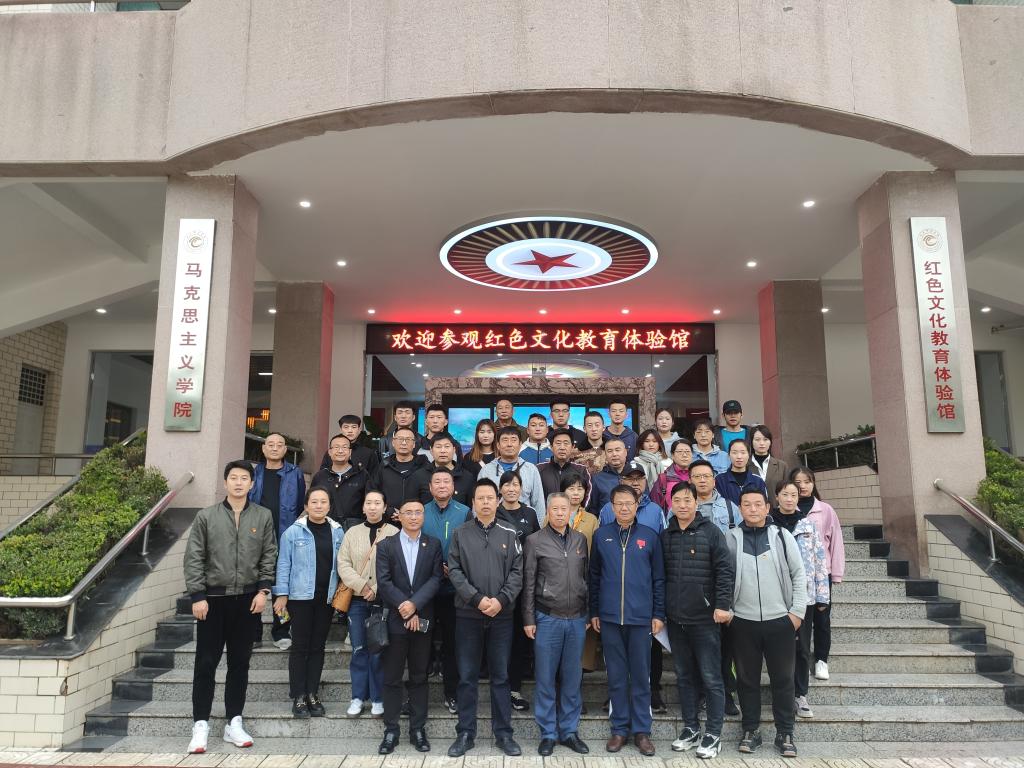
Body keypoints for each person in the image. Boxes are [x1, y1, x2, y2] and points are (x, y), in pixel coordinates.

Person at [185, 461, 277, 754]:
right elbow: (194, 556)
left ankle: (233, 721)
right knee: (206, 663)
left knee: (240, 663)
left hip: (248, 601)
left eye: (244, 478)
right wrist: (197, 595)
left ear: (252, 484)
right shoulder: (206, 516)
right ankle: (200, 724)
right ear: (225, 482)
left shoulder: (262, 516)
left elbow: (269, 553)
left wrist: (263, 590)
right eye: (233, 478)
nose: (239, 483)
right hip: (212, 601)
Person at [726, 487, 806, 758]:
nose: (752, 509)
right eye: (747, 504)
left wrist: (796, 613)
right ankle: (751, 729)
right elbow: (722, 577)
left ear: (767, 508)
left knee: (783, 679)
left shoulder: (782, 536)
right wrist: (730, 613)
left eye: (758, 504)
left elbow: (798, 574)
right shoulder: (731, 538)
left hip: (780, 620)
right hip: (743, 621)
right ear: (740, 508)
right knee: (746, 680)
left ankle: (785, 732)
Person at [446, 480, 524, 758]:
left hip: (502, 616)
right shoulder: (460, 533)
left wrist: (501, 600)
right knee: (467, 677)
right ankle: (465, 733)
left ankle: (503, 734)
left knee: (501, 677)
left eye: (491, 497)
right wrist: (477, 599)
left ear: (498, 500)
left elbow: (517, 572)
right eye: (481, 498)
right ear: (473, 503)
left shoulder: (510, 533)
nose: (486, 502)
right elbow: (454, 570)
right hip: (468, 614)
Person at [589, 484, 665, 756]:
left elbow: (658, 579)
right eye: (619, 503)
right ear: (611, 507)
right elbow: (594, 577)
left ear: (636, 506)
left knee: (641, 676)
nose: (624, 508)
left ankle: (642, 731)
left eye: (628, 503)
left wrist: (658, 613)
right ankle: (620, 729)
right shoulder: (601, 535)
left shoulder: (650, 536)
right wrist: (594, 611)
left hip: (640, 619)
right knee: (617, 676)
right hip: (610, 618)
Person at [662, 482, 734, 759]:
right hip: (676, 619)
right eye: (677, 500)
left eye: (687, 500)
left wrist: (722, 604)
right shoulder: (666, 535)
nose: (682, 505)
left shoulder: (711, 532)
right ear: (671, 504)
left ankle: (713, 733)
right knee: (684, 676)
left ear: (696, 502)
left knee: (711, 677)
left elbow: (724, 570)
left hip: (705, 619)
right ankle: (691, 728)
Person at [523, 492, 590, 756]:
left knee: (572, 678)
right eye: (555, 509)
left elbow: (586, 578)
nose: (560, 513)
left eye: (565, 509)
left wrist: (587, 612)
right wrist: (529, 618)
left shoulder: (580, 540)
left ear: (571, 511)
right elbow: (529, 583)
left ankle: (569, 731)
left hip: (576, 619)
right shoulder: (534, 541)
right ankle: (548, 733)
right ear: (548, 512)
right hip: (547, 617)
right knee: (546, 677)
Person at [375, 498, 444, 754]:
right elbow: (384, 582)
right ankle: (391, 730)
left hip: (422, 620)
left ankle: (418, 729)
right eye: (408, 512)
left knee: (418, 677)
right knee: (392, 677)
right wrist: (404, 607)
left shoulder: (433, 544)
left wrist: (414, 605)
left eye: (418, 512)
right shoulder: (386, 545)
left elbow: (435, 579)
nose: (414, 516)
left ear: (423, 516)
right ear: (399, 516)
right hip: (395, 620)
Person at [273, 487, 345, 718]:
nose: (319, 505)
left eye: (323, 502)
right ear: (306, 506)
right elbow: (283, 564)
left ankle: (312, 693)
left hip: (326, 599)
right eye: (314, 502)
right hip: (300, 598)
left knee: (318, 647)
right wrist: (281, 594)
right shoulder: (293, 532)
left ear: (329, 506)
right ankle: (299, 696)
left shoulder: (337, 531)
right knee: (300, 647)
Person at [771, 480, 830, 720]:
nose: (789, 499)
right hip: (773, 595)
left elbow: (819, 560)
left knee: (802, 648)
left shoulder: (808, 525)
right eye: (785, 494)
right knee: (776, 647)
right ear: (777, 496)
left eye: (794, 495)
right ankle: (780, 692)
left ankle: (800, 694)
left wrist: (822, 595)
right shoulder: (768, 523)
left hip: (804, 596)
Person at [337, 490, 398, 719]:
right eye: (368, 503)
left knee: (379, 651)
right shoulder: (352, 532)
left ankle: (378, 698)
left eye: (377, 503)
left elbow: (397, 567)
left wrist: (377, 588)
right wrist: (362, 586)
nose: (372, 507)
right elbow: (343, 564)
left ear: (385, 507)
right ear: (363, 507)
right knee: (359, 649)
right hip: (356, 601)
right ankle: (357, 697)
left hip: (383, 601)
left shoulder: (394, 532)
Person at [688, 459, 740, 716]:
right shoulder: (683, 505)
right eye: (697, 476)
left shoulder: (730, 508)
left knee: (726, 644)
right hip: (694, 583)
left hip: (724, 580)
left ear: (714, 478)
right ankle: (702, 693)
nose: (702, 480)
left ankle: (726, 692)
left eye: (706, 476)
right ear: (690, 480)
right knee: (698, 645)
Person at [421, 469, 472, 715]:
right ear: (430, 487)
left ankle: (452, 693)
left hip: (455, 589)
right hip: (425, 589)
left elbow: (470, 546)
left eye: (446, 481)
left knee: (453, 644)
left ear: (453, 487)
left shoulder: (465, 512)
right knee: (421, 642)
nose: (442, 485)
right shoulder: (420, 511)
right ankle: (417, 695)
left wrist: (454, 568)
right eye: (437, 482)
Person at [249, 432, 306, 650]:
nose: (274, 448)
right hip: (257, 538)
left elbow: (300, 504)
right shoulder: (254, 473)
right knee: (254, 585)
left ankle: (281, 630)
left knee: (282, 587)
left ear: (285, 450)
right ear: (263, 449)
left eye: (279, 445)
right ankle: (254, 633)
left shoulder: (294, 473)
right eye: (270, 444)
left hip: (285, 537)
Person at [791, 467, 845, 682]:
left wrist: (836, 574)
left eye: (807, 481)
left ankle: (821, 659)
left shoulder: (825, 510)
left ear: (813, 483)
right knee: (798, 618)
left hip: (821, 574)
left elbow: (836, 542)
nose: (803, 486)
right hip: (795, 575)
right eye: (798, 482)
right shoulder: (788, 507)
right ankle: (799, 659)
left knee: (822, 618)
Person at [496, 470, 540, 712]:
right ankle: (499, 687)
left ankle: (514, 689)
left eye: (516, 485)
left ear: (522, 489)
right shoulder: (494, 511)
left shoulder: (529, 513)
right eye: (507, 485)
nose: (511, 489)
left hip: (525, 585)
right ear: (500, 489)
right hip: (498, 585)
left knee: (519, 639)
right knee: (500, 639)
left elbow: (537, 546)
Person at [559, 473, 601, 674]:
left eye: (580, 489)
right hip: (558, 582)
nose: (575, 493)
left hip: (584, 579)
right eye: (571, 488)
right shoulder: (553, 515)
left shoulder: (591, 519)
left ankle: (582, 672)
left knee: (585, 628)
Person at [476, 426, 545, 523]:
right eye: (505, 440)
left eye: (513, 440)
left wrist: (539, 529)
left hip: (525, 526)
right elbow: (479, 502)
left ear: (520, 444)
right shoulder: (486, 471)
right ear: (498, 445)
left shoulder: (531, 470)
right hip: (494, 526)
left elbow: (539, 503)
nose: (509, 444)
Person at [311, 434, 369, 528]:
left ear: (350, 452)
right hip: (325, 528)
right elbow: (311, 503)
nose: (340, 451)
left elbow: (370, 503)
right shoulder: (320, 476)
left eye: (344, 447)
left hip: (354, 529)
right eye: (336, 447)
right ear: (329, 452)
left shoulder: (361, 475)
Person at [372, 426, 428, 516]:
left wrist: (411, 513)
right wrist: (388, 511)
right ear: (393, 443)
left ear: (414, 444)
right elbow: (374, 492)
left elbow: (428, 496)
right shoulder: (384, 465)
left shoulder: (424, 466)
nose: (404, 443)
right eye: (400, 439)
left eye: (408, 439)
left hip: (416, 519)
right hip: (388, 518)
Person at [410, 432, 475, 507]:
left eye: (447, 446)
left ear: (454, 450)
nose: (443, 451)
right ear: (431, 450)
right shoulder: (419, 476)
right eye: (438, 447)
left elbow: (470, 508)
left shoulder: (467, 477)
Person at [539, 428, 592, 507]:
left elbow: (587, 495)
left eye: (566, 443)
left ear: (572, 447)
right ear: (551, 447)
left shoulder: (581, 470)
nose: (562, 447)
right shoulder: (539, 469)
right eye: (558, 443)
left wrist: (577, 512)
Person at [714, 440, 768, 506]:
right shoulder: (720, 480)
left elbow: (763, 505)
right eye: (734, 453)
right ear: (728, 455)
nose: (739, 457)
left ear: (749, 455)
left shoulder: (758, 481)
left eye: (743, 453)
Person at [749, 425, 789, 507]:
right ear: (751, 442)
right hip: (753, 510)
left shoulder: (782, 466)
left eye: (765, 439)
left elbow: (787, 490)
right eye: (757, 439)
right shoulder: (745, 466)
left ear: (770, 442)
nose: (762, 443)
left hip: (777, 511)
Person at [588, 437, 628, 514]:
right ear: (605, 455)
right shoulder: (597, 478)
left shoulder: (636, 475)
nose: (614, 454)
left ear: (625, 452)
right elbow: (592, 509)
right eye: (610, 451)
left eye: (617, 450)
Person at [650, 441, 693, 512]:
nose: (684, 455)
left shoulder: (698, 476)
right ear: (672, 455)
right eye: (680, 452)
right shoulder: (663, 478)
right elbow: (655, 504)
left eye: (687, 451)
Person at [574, 411, 607, 475]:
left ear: (603, 428)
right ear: (584, 429)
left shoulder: (611, 451)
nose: (594, 429)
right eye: (590, 425)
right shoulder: (576, 453)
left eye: (597, 425)